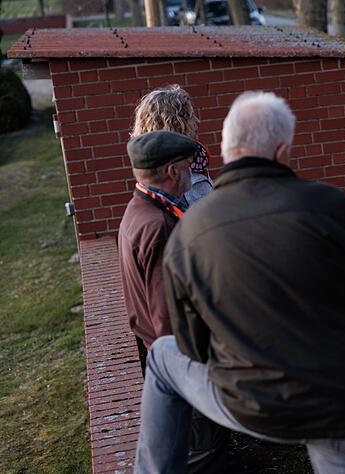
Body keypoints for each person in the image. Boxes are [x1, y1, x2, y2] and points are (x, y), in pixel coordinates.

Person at [134, 92, 345, 473]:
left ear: (226, 149)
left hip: (248, 403)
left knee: (164, 355)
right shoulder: (336, 207)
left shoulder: (189, 229)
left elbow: (192, 343)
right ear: (283, 151)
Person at [119, 130, 229, 472]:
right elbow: (166, 311)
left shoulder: (139, 211)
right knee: (205, 449)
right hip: (181, 358)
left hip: (165, 353)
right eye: (186, 165)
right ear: (172, 171)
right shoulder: (158, 225)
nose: (191, 172)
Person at [132, 84, 213, 205]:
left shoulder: (151, 170)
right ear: (177, 124)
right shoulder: (184, 176)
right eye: (190, 117)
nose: (197, 121)